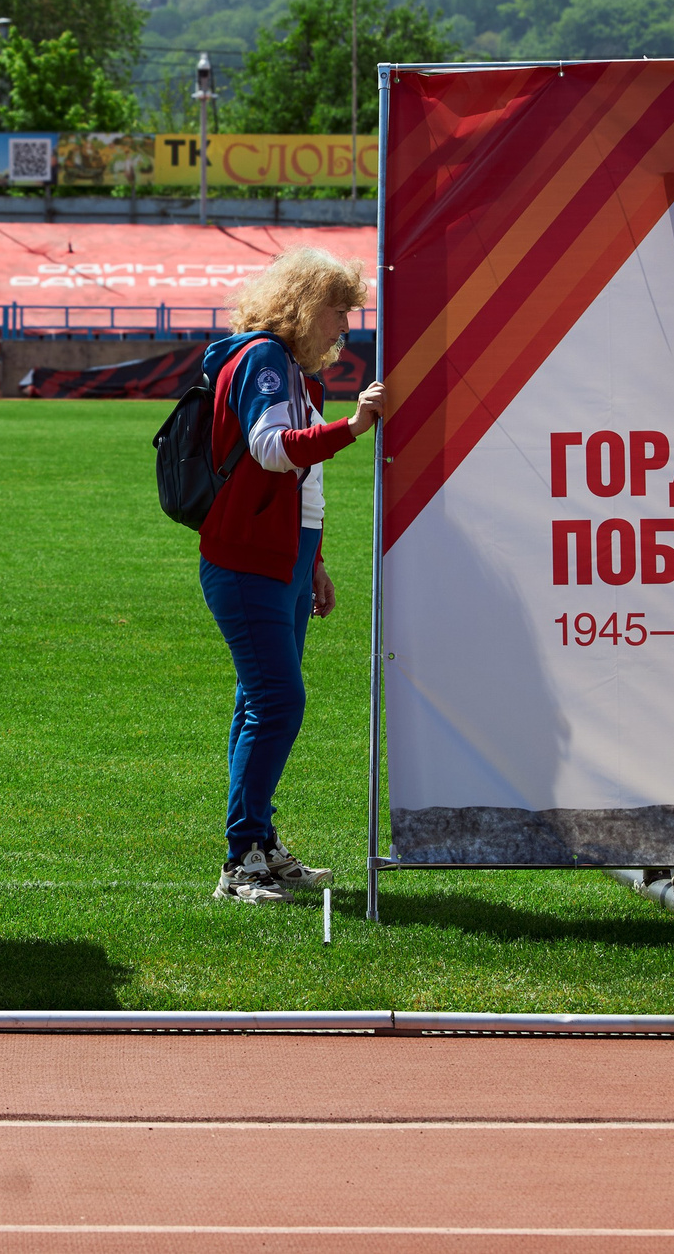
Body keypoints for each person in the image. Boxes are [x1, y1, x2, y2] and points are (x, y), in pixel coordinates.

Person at [195, 247, 388, 903]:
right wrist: (355, 425)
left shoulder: (298, 373)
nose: (346, 325)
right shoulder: (264, 359)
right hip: (247, 555)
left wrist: (318, 561)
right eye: (339, 310)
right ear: (306, 304)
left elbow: (308, 486)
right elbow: (271, 450)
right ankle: (239, 858)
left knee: (260, 699)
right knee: (278, 700)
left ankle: (258, 841)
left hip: (286, 557)